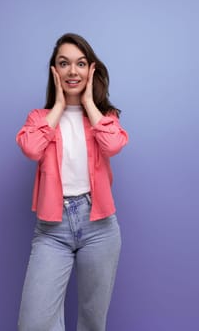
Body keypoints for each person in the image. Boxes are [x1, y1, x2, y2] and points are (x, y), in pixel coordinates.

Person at [16, 33, 128, 331]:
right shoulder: (39, 118)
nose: (72, 71)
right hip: (52, 230)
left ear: (90, 70)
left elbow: (113, 145)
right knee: (34, 323)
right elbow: (30, 148)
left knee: (93, 321)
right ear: (55, 71)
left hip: (100, 228)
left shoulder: (105, 116)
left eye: (80, 64)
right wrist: (58, 108)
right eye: (64, 63)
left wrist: (90, 103)